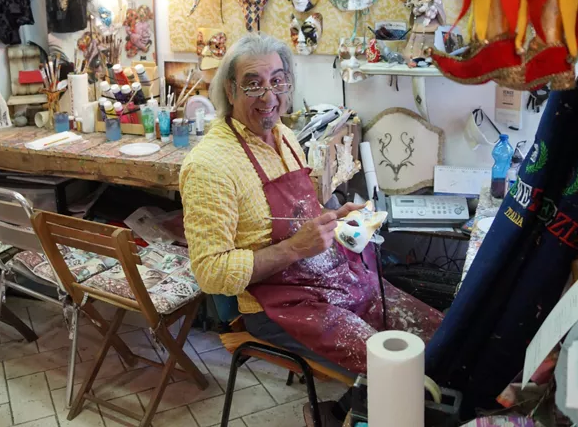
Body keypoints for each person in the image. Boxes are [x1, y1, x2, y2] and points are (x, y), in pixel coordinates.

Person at [180, 33, 443, 425]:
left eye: (278, 80)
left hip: (331, 280)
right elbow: (211, 273)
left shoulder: (284, 136)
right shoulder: (209, 166)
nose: (268, 95)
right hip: (278, 307)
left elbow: (302, 215)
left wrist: (335, 219)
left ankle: (344, 411)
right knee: (401, 368)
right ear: (230, 91)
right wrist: (294, 249)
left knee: (437, 338)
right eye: (253, 83)